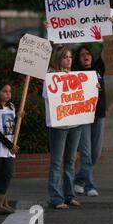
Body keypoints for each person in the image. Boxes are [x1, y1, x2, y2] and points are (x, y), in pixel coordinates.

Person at [43, 45, 83, 209]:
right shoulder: (51, 76)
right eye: (65, 57)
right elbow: (48, 96)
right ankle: (56, 198)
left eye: (70, 57)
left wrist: (93, 89)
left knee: (70, 162)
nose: (69, 59)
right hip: (58, 125)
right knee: (56, 163)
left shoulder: (78, 76)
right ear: (58, 59)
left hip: (75, 123)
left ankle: (69, 196)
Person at [73, 45, 106, 197]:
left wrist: (108, 27)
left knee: (96, 152)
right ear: (78, 59)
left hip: (99, 115)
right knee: (86, 153)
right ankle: (89, 186)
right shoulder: (74, 72)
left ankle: (79, 180)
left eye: (88, 54)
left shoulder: (99, 68)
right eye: (82, 55)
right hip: (83, 116)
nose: (85, 56)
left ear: (92, 57)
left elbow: (108, 50)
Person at [0, 83, 25, 214]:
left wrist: (17, 117)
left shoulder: (11, 107)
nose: (8, 94)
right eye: (5, 91)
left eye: (9, 91)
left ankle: (3, 203)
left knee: (7, 175)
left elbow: (10, 124)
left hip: (9, 148)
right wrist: (11, 146)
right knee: (2, 175)